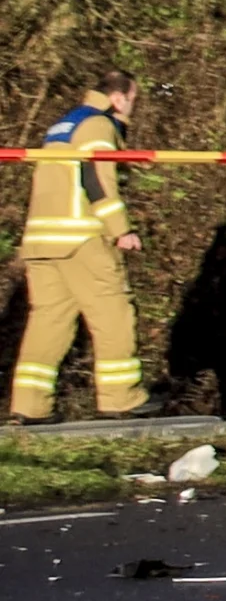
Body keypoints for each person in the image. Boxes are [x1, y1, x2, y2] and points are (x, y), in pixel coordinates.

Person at [12, 73, 145, 422]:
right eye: (133, 99)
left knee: (48, 324)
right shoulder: (98, 125)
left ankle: (29, 406)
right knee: (114, 314)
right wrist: (121, 229)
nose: (133, 106)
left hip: (42, 241)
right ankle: (120, 399)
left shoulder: (62, 125)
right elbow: (96, 178)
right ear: (118, 98)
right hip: (80, 236)